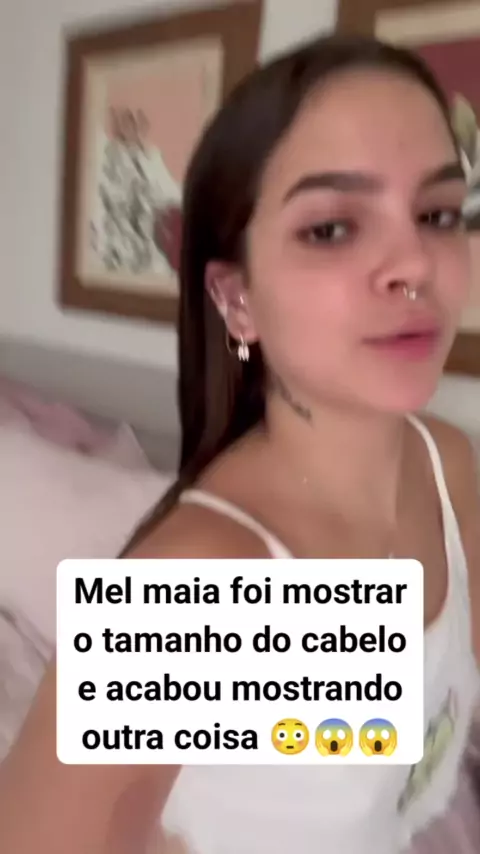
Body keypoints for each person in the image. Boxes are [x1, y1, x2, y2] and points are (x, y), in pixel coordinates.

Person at [1, 33, 479, 854]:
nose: (414, 265)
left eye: (438, 214)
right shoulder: (204, 580)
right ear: (236, 299)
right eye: (332, 228)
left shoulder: (448, 465)